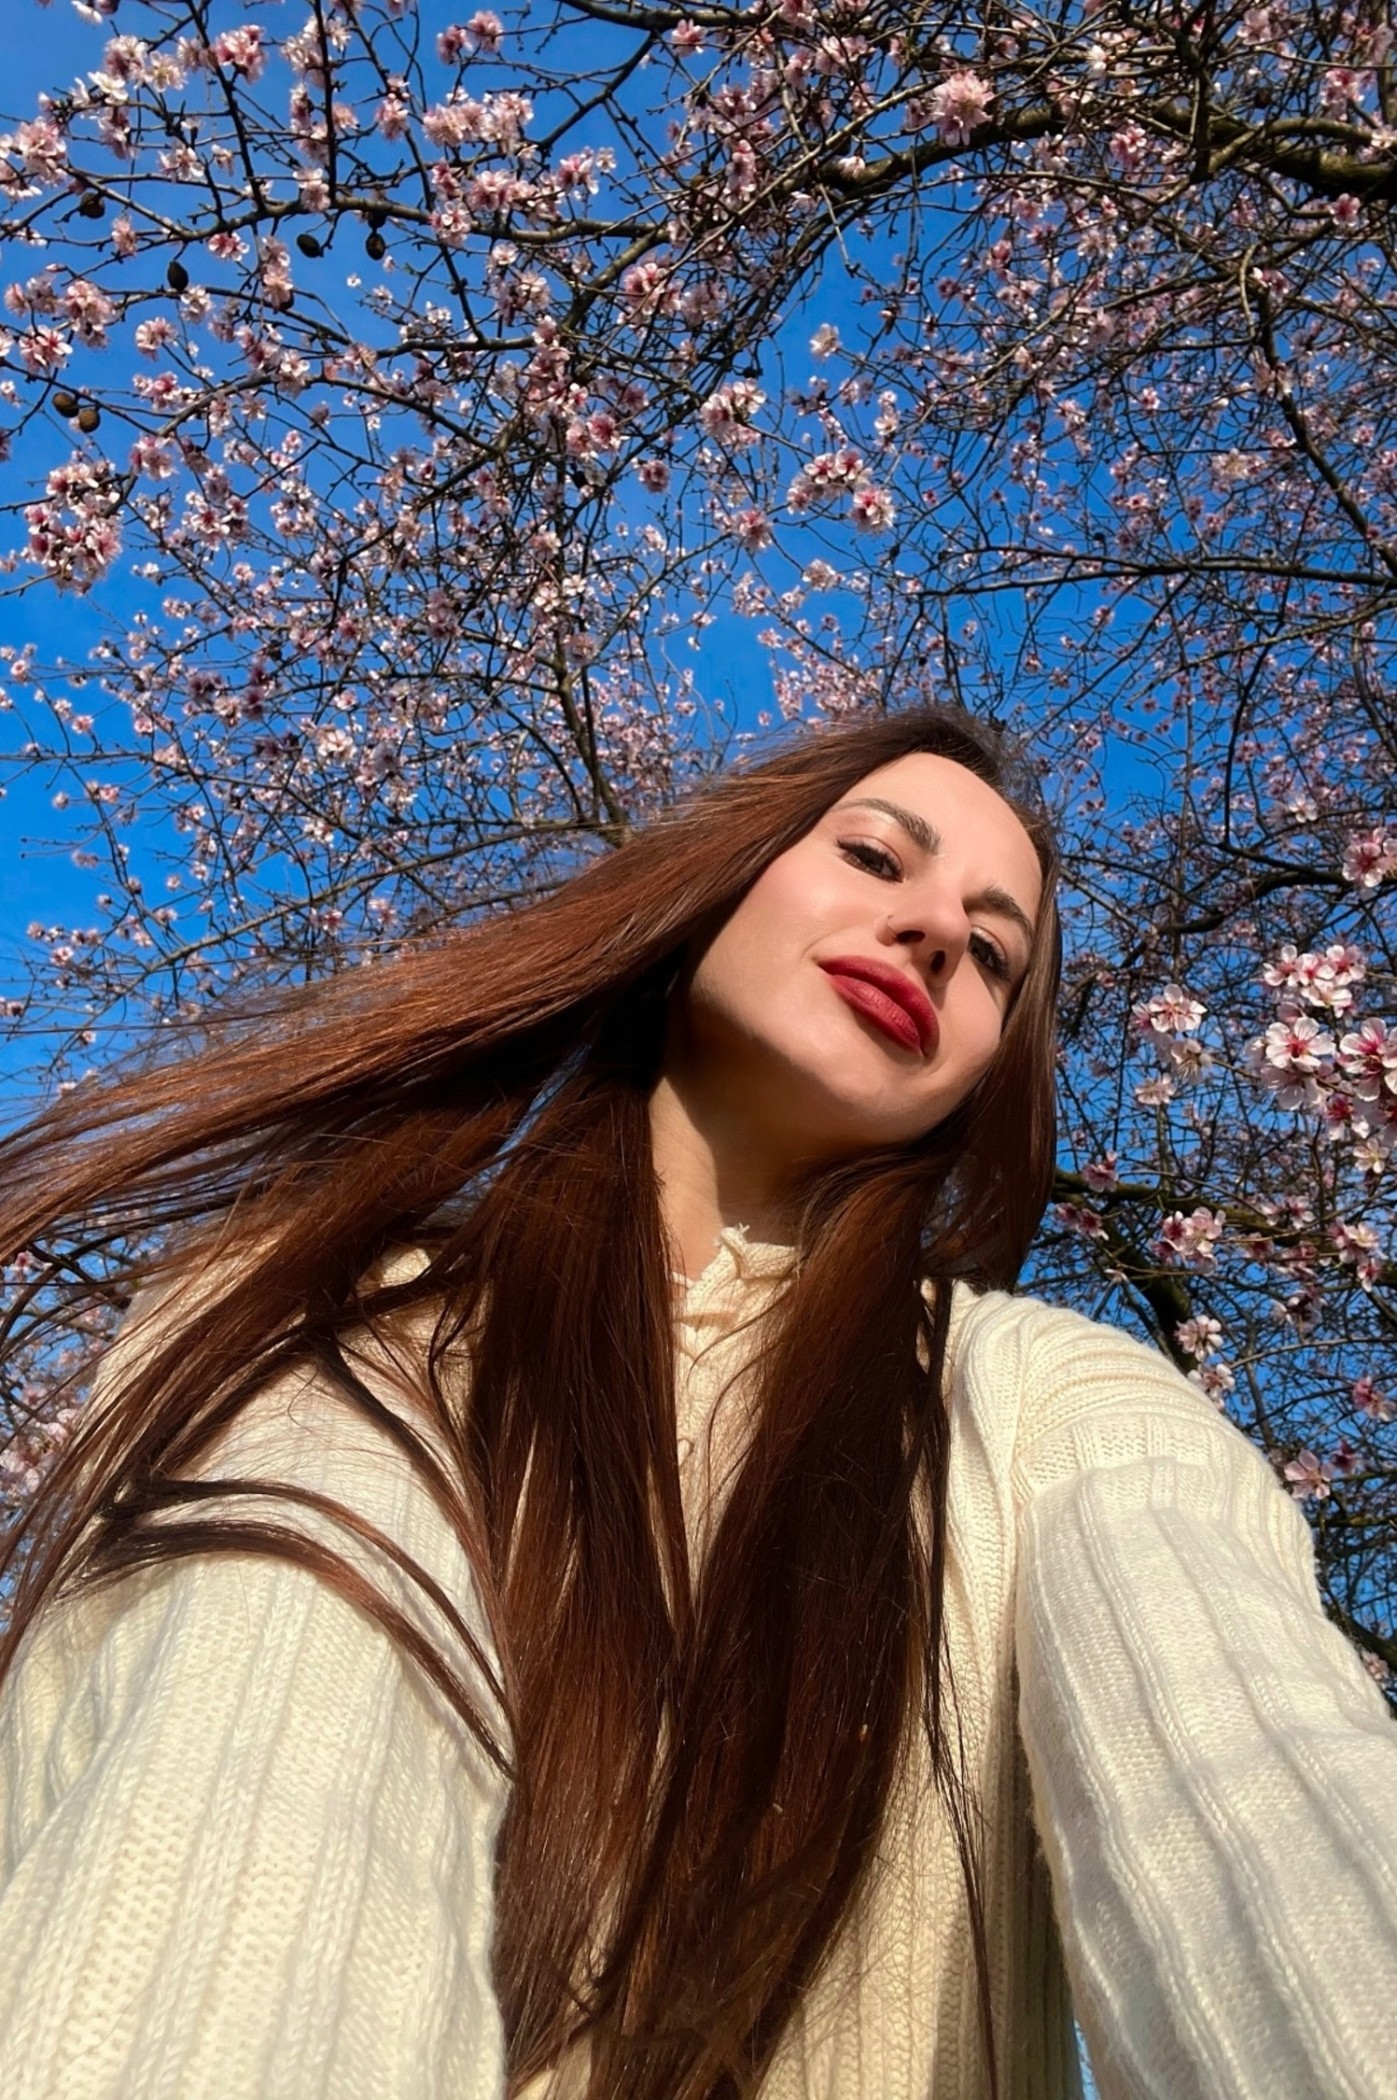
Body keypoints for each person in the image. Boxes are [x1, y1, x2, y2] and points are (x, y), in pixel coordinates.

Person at [0, 705, 1392, 2100]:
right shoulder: (311, 1310)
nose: (931, 935)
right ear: (713, 878)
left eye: (991, 954)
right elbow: (245, 1786)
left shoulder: (1051, 1403)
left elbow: (1251, 1785)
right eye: (874, 857)